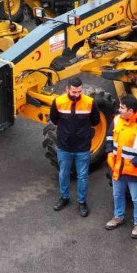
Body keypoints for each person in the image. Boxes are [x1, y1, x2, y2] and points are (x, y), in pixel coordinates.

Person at [104, 95, 137, 239]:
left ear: (131, 111)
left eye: (122, 108)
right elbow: (109, 137)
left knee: (136, 199)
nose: (119, 110)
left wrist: (133, 163)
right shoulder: (116, 120)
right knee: (117, 194)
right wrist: (109, 153)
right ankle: (118, 217)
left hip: (133, 170)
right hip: (116, 167)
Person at [49, 77, 100, 217]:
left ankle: (82, 201)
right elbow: (54, 119)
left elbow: (96, 121)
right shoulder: (59, 102)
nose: (76, 95)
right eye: (73, 92)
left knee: (82, 176)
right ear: (67, 89)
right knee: (63, 173)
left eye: (79, 91)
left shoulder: (89, 103)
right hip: (64, 146)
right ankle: (64, 197)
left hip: (82, 147)